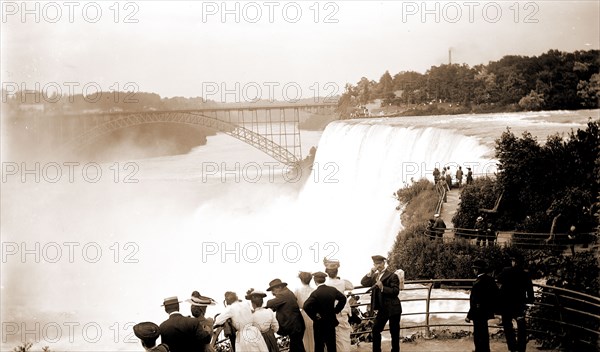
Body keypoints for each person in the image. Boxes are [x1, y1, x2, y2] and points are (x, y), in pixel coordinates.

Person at [360, 255, 402, 352]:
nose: (377, 266)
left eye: (379, 263)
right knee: (376, 329)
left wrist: (382, 287)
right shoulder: (374, 276)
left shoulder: (393, 275)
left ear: (383, 263)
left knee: (394, 332)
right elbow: (363, 282)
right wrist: (370, 272)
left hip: (393, 308)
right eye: (375, 264)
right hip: (383, 309)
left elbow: (395, 291)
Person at [497, 253, 534, 352]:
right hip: (519, 304)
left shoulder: (506, 271)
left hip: (506, 304)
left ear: (515, 262)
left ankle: (512, 347)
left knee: (507, 325)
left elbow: (498, 280)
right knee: (521, 326)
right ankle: (521, 348)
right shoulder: (525, 274)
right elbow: (530, 291)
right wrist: (529, 300)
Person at [303, 272, 347, 352]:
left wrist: (315, 316)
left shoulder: (315, 293)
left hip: (319, 324)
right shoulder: (332, 290)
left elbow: (306, 306)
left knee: (319, 346)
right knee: (331, 345)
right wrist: (336, 310)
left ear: (315, 281)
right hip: (331, 321)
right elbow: (343, 299)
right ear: (324, 279)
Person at [465, 259, 499, 352]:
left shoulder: (478, 283)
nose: (474, 270)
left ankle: (479, 350)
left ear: (477, 270)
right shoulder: (490, 280)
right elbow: (496, 294)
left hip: (478, 311)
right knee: (484, 332)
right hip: (486, 311)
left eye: (475, 269)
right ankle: (485, 349)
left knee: (478, 333)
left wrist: (469, 315)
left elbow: (474, 301)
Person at [266, 278, 306, 352]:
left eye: (273, 289)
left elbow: (270, 303)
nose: (273, 292)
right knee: (296, 347)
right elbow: (281, 306)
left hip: (294, 327)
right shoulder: (287, 293)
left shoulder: (283, 294)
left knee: (298, 347)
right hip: (296, 326)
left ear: (279, 287)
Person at [323, 258, 353, 352]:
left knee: (336, 339)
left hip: (332, 313)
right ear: (337, 271)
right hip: (343, 312)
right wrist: (340, 279)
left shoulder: (326, 284)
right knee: (345, 337)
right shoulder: (342, 282)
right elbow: (351, 286)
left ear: (327, 273)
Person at [294, 272, 315, 352]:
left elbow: (294, 303)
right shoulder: (314, 290)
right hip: (313, 313)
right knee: (313, 333)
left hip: (303, 314)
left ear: (301, 280)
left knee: (305, 334)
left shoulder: (297, 290)